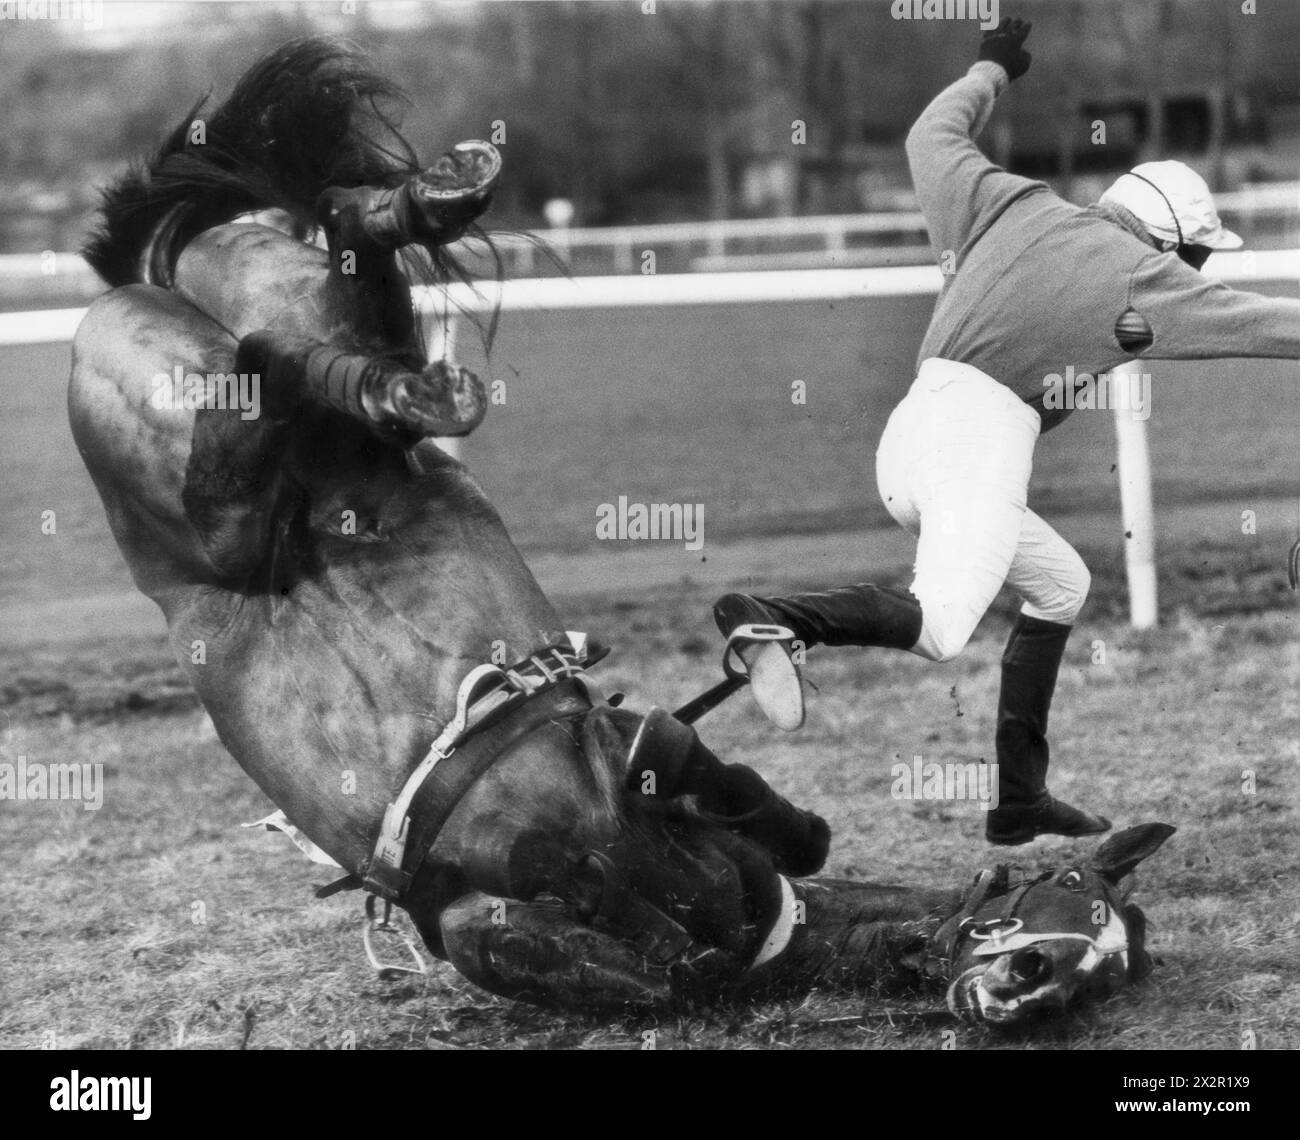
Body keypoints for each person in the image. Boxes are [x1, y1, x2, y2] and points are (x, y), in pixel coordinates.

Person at [713, 17, 1300, 845]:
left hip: (909, 437)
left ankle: (1020, 798)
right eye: (1195, 255)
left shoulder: (1010, 200)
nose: (1194, 273)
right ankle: (772, 614)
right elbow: (1267, 324)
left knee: (1060, 585)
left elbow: (931, 135)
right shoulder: (1144, 270)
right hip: (978, 442)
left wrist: (990, 68)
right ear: (1170, 241)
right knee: (944, 626)